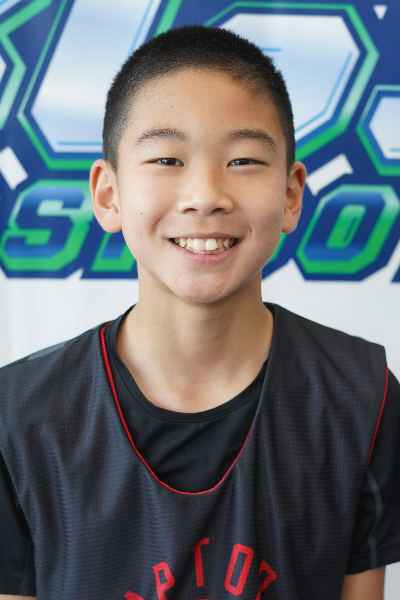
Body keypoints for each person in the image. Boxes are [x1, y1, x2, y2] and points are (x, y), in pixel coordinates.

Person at [0, 25, 399, 600]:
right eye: (167, 158)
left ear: (291, 195)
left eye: (243, 159)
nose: (206, 194)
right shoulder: (20, 417)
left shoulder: (363, 397)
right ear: (109, 195)